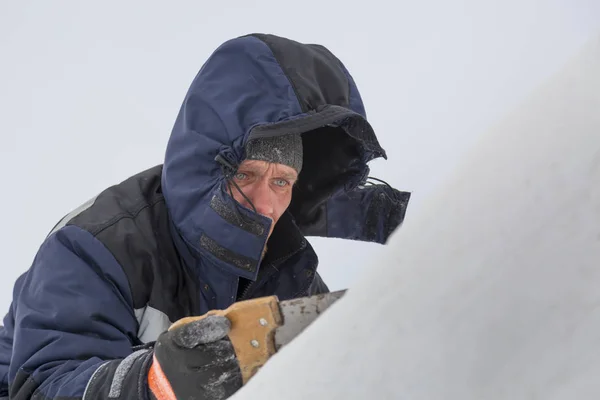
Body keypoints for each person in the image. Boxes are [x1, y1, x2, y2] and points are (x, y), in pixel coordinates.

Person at [0, 33, 410, 400]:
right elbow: (43, 385)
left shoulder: (285, 269)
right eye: (247, 174)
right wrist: (157, 381)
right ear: (208, 167)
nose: (265, 205)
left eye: (282, 182)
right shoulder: (95, 248)